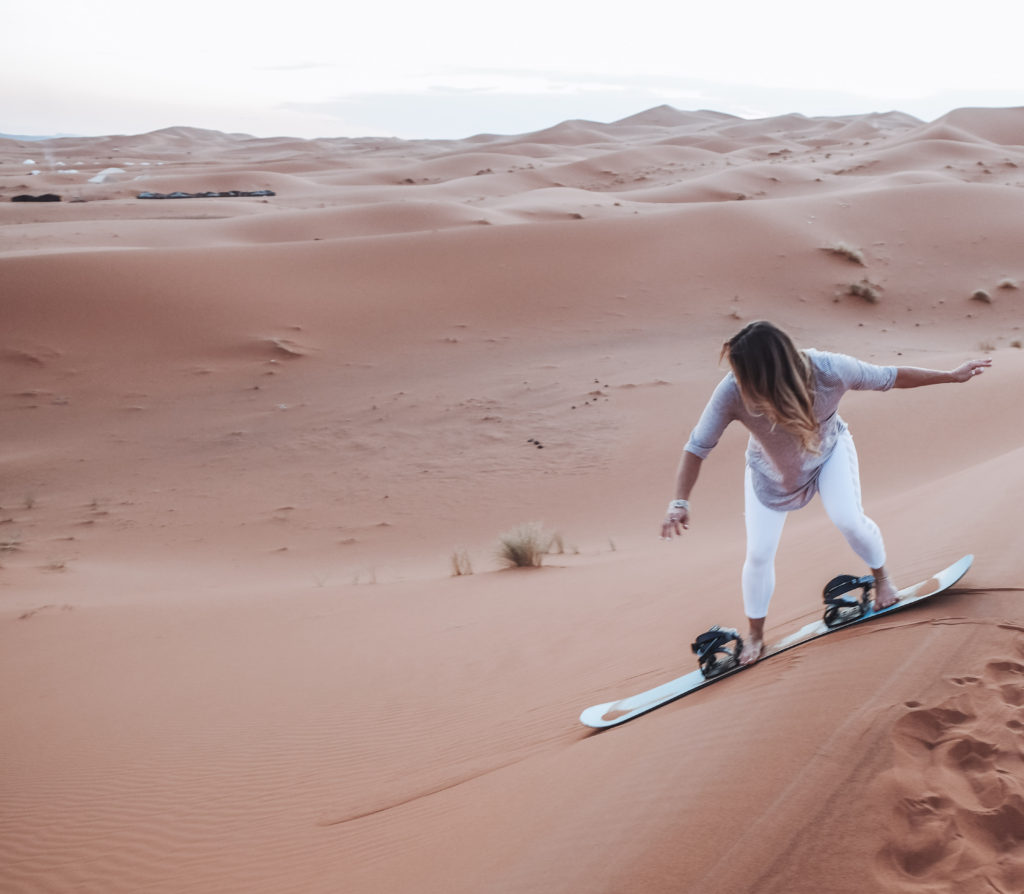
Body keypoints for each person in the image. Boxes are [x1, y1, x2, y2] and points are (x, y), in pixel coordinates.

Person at [660, 321, 991, 666]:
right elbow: (697, 446)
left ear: (771, 371)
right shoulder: (731, 391)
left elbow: (890, 376)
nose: (738, 382)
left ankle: (884, 581)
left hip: (829, 453)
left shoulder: (829, 369)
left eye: (745, 375)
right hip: (769, 477)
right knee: (759, 553)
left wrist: (952, 375)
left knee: (848, 519)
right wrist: (679, 501)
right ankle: (755, 635)